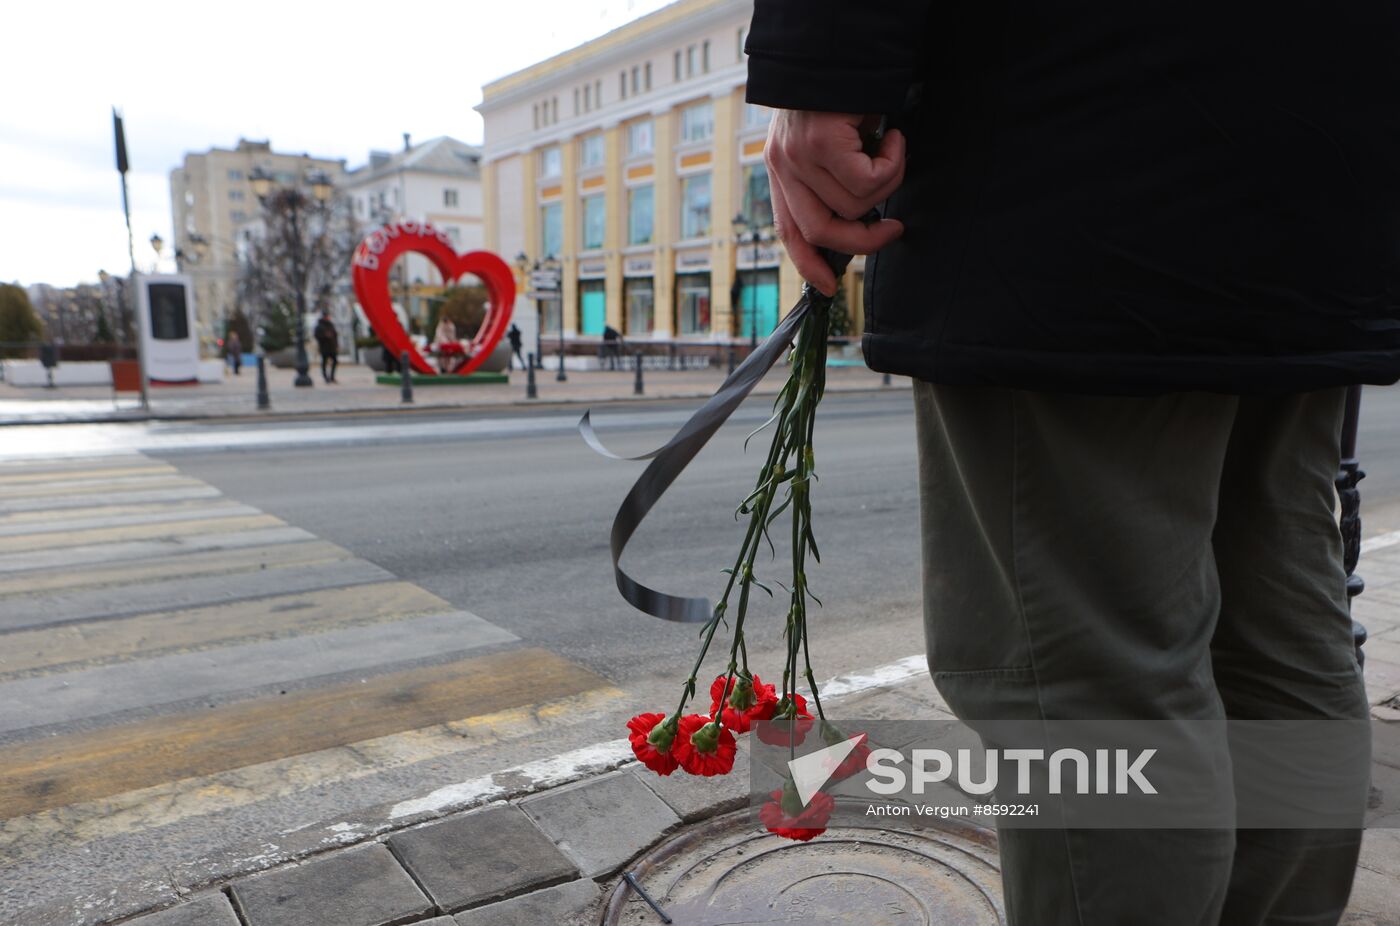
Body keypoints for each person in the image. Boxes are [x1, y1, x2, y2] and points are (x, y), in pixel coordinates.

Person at [745, 3, 1399, 924]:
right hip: (1322, 149)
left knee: (1091, 688)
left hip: (1079, 148)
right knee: (1278, 633)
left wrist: (824, 68)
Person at [313, 310, 338, 383]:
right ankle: (325, 377)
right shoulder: (319, 326)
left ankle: (332, 377)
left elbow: (335, 335)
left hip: (332, 347)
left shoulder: (330, 325)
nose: (328, 317)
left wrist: (336, 345)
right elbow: (316, 336)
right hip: (324, 347)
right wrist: (325, 336)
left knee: (335, 361)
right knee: (324, 362)